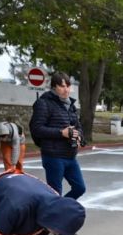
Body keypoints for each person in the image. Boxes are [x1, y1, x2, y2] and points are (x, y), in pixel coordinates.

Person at [29, 71, 86, 200]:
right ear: (54, 87)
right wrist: (61, 133)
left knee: (79, 188)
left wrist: (80, 139)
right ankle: (53, 215)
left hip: (70, 156)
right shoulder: (43, 103)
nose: (66, 90)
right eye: (62, 86)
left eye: (68, 86)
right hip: (53, 156)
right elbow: (37, 129)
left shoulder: (71, 105)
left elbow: (78, 128)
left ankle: (60, 208)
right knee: (55, 193)